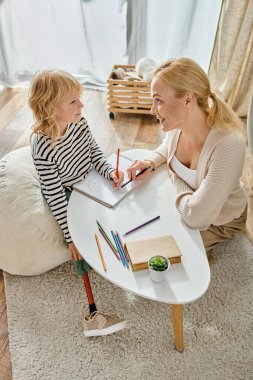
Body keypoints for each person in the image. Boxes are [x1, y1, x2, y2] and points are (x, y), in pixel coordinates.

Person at [29, 69, 127, 336]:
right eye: (73, 101)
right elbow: (54, 197)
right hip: (67, 191)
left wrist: (109, 172)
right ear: (50, 108)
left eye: (79, 99)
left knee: (119, 208)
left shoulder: (80, 123)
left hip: (90, 179)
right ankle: (93, 313)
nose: (81, 105)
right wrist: (71, 237)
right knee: (82, 236)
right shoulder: (43, 147)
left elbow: (94, 151)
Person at [127, 57, 247, 255]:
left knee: (157, 251)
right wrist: (152, 160)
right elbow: (167, 147)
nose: (152, 110)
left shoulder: (229, 144)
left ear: (188, 100)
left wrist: (173, 176)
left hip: (220, 221)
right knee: (140, 227)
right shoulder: (177, 125)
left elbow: (196, 217)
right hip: (191, 202)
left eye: (158, 100)